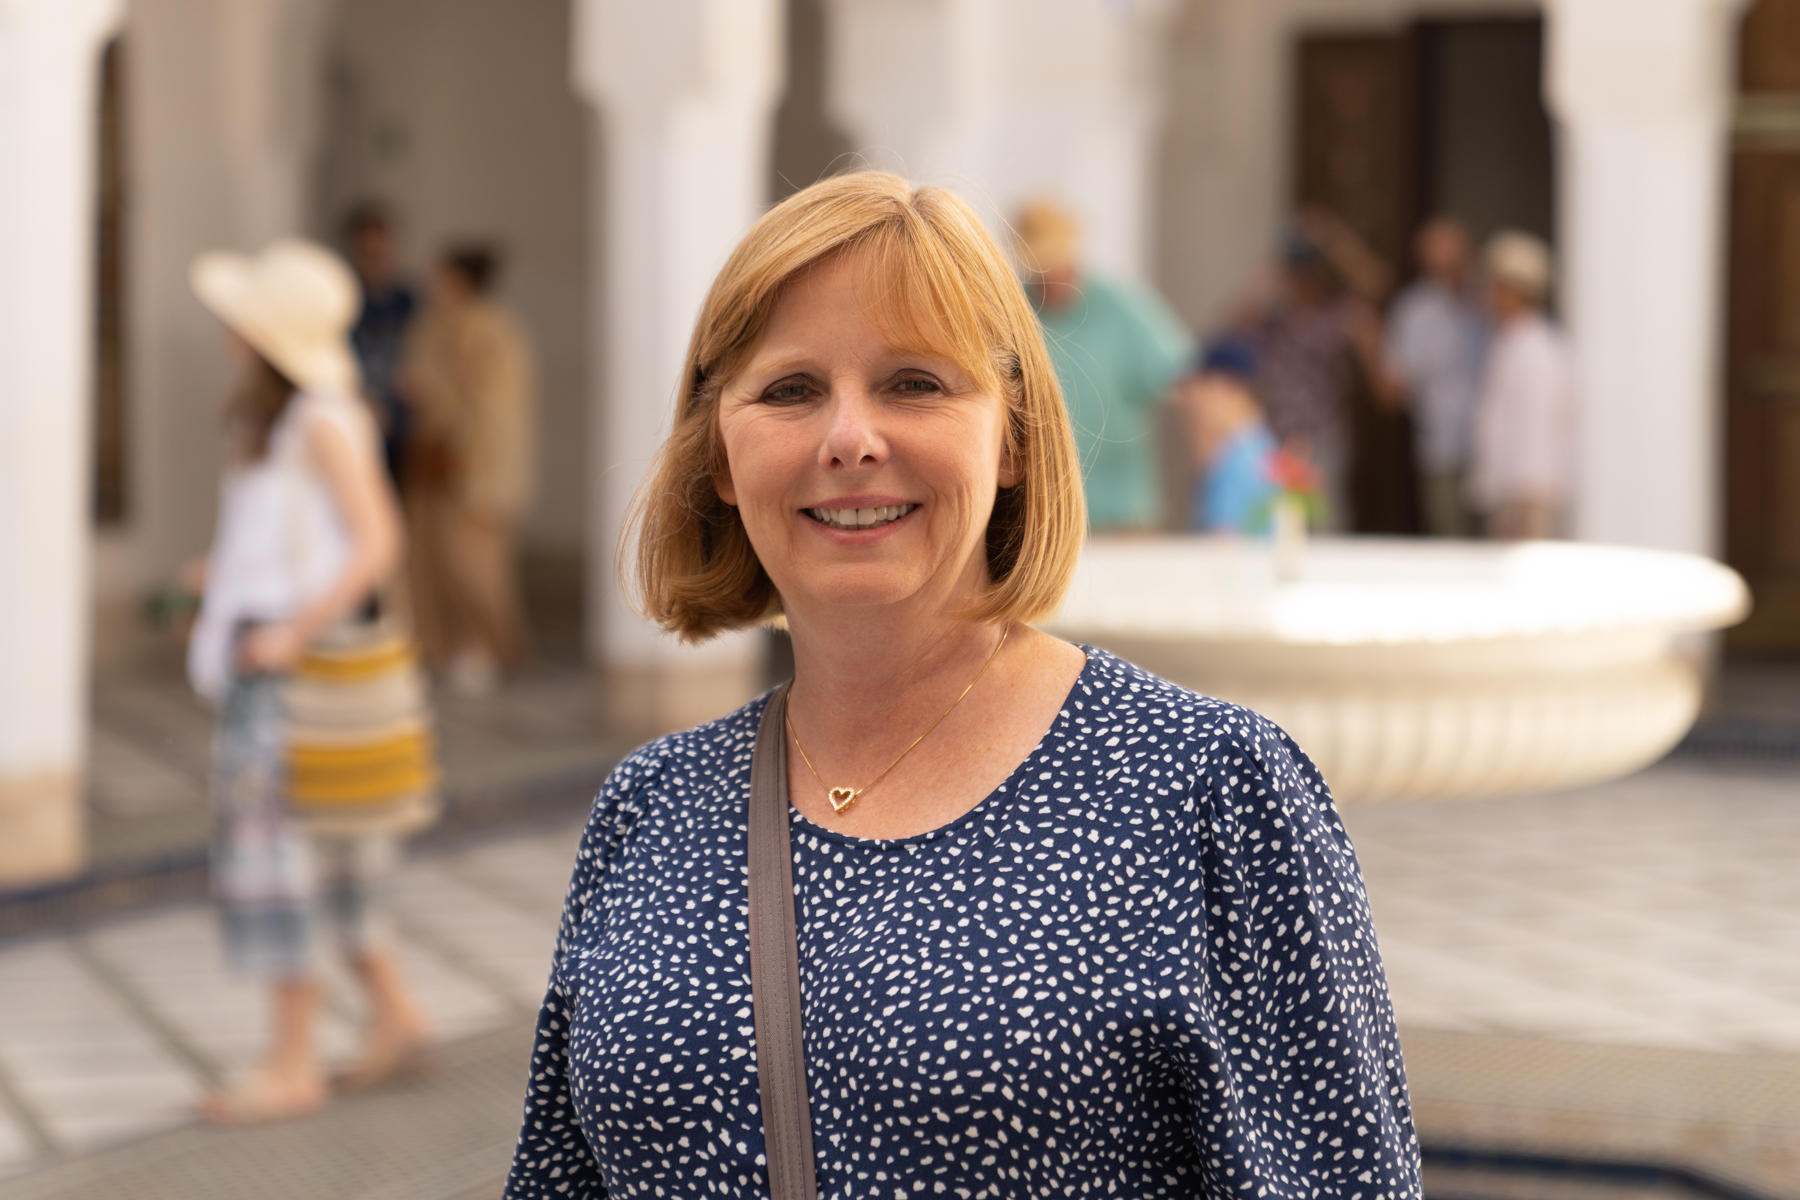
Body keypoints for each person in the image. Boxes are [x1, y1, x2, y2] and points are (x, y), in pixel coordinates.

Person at [502, 172, 1419, 1198]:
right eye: (790, 390)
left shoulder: (1208, 789)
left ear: (1014, 437)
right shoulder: (649, 809)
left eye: (914, 384)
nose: (850, 439)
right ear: (718, 452)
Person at [186, 239, 429, 1123]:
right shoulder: (294, 417)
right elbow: (299, 540)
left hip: (294, 678)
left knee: (276, 865)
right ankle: (397, 1015)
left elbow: (379, 540)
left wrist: (289, 630)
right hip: (281, 663)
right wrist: (221, 579)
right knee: (334, 861)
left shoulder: (319, 418)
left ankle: (290, 1064)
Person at [400, 244, 537, 696]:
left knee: (474, 566)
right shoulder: (432, 326)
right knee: (431, 562)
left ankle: (488, 647)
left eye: (441, 277)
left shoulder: (495, 330)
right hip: (432, 462)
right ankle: (441, 646)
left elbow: (497, 401)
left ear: (460, 279)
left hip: (475, 467)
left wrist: (444, 385)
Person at [1014, 199, 1193, 533]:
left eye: (1055, 260)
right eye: (1039, 264)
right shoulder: (1012, 308)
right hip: (1040, 515)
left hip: (1119, 512)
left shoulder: (1121, 306)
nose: (1049, 274)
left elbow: (1185, 380)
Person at [1241, 213, 1393, 530]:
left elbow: (1378, 284)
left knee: (1325, 527)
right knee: (1273, 525)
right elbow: (1231, 329)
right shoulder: (1274, 314)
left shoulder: (1341, 314)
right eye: (1299, 270)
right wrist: (1273, 267)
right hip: (1276, 435)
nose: (1304, 279)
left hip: (1324, 436)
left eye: (1310, 270)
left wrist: (1335, 241)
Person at [1468, 230, 1575, 540]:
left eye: (1497, 287)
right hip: (1509, 491)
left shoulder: (1537, 351)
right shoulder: (1507, 341)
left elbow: (1536, 429)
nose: (1490, 296)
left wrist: (1525, 503)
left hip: (1525, 497)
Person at [1386, 217, 1488, 537]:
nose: (1447, 260)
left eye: (1453, 250)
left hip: (1491, 444)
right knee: (1450, 535)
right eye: (1438, 252)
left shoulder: (1489, 301)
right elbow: (1396, 386)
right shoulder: (1413, 311)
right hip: (1440, 446)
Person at [344, 202, 419, 486]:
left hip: (399, 420)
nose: (375, 256)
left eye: (380, 248)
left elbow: (419, 352)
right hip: (355, 410)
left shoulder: (406, 300)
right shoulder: (345, 296)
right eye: (368, 249)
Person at [1177, 339, 1280, 534]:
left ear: (1224, 387)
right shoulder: (1262, 448)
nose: (1195, 404)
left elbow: (1222, 542)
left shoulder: (1237, 461)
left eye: (1201, 389)